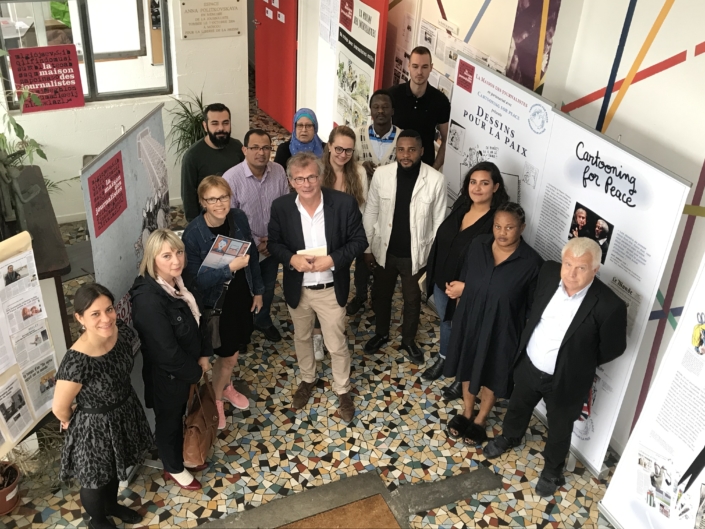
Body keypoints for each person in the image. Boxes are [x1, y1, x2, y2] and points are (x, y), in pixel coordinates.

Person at [483, 238, 628, 497]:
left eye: (581, 268)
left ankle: (552, 470)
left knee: (560, 428)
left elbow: (613, 348)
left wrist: (578, 361)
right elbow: (534, 306)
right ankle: (510, 437)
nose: (571, 273)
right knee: (517, 407)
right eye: (568, 264)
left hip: (566, 380)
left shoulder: (609, 305)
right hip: (530, 364)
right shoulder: (549, 272)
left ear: (595, 269)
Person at [267, 152, 367, 423]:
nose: (306, 183)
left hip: (330, 288)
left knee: (336, 343)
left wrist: (332, 259)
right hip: (298, 288)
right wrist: (291, 259)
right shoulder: (281, 207)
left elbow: (359, 241)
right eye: (299, 179)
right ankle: (308, 379)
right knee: (301, 337)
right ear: (290, 181)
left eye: (311, 177)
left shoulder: (343, 203)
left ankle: (342, 389)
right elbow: (273, 244)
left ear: (321, 176)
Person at [53, 284, 152, 529]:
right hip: (94, 426)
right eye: (95, 314)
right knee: (95, 481)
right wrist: (70, 418)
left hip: (123, 410)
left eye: (109, 309)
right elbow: (59, 407)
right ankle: (97, 521)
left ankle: (112, 506)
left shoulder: (121, 332)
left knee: (115, 469)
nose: (106, 318)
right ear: (80, 318)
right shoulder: (76, 361)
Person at [443, 203, 543, 444]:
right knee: (468, 365)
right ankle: (467, 412)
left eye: (509, 227)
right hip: (471, 320)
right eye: (498, 226)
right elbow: (465, 280)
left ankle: (481, 419)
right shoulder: (478, 245)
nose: (502, 232)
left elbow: (531, 307)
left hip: (502, 329)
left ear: (522, 228)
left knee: (493, 372)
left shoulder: (531, 262)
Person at [130, 229, 212, 491]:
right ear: (152, 258)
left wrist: (204, 354)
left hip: (188, 368)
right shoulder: (147, 299)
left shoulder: (180, 280)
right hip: (167, 376)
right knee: (169, 421)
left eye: (179, 252)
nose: (176, 260)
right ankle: (173, 467)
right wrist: (195, 373)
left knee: (180, 415)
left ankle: (182, 454)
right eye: (166, 256)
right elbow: (165, 351)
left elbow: (200, 318)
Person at [422, 162, 509, 402]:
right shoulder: (462, 205)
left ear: (496, 187)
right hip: (443, 283)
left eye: (484, 183)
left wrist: (467, 288)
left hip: (470, 291)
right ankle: (444, 358)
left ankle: (463, 376)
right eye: (473, 182)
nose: (477, 188)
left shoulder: (496, 222)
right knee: (447, 323)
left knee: (469, 333)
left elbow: (498, 268)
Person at [182, 176, 264, 429]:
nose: (219, 204)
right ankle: (216, 398)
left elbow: (252, 255)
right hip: (216, 305)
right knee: (227, 356)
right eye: (212, 199)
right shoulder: (193, 234)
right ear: (202, 202)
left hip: (241, 296)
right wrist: (229, 269)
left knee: (233, 350)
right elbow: (195, 282)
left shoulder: (238, 218)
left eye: (223, 197)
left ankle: (225, 385)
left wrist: (258, 291)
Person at [362, 129, 446, 363]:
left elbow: (439, 223)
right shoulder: (382, 175)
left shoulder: (436, 180)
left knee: (412, 300)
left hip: (415, 255)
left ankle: (408, 340)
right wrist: (367, 248)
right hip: (384, 251)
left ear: (421, 151)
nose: (405, 155)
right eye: (401, 150)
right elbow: (370, 212)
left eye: (411, 150)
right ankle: (381, 333)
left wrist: (431, 258)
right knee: (381, 295)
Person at [223, 128, 290, 343]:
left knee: (268, 285)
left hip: (271, 244)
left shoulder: (278, 171)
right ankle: (243, 328)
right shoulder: (231, 178)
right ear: (244, 150)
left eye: (266, 148)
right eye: (255, 148)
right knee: (243, 289)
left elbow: (286, 207)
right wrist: (254, 243)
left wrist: (273, 239)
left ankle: (262, 320)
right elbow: (230, 220)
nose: (261, 153)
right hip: (243, 248)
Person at [321, 126, 369, 318]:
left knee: (340, 281)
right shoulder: (317, 170)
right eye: (339, 149)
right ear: (329, 146)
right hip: (320, 236)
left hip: (346, 238)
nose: (343, 154)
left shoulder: (359, 172)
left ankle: (335, 318)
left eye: (348, 150)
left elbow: (361, 209)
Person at [387, 47, 450, 169]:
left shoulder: (440, 101)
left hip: (424, 167)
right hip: (394, 166)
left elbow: (446, 139)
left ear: (431, 68)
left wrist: (434, 169)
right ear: (409, 66)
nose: (419, 72)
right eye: (415, 66)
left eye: (424, 67)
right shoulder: (393, 95)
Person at [181, 103, 245, 222]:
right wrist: (195, 224)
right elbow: (188, 195)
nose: (221, 128)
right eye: (215, 123)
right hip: (209, 220)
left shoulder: (237, 147)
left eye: (225, 123)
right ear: (205, 126)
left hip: (236, 216)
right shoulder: (192, 156)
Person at [355, 89, 402, 180]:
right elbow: (346, 163)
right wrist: (361, 165)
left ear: (392, 111)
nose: (380, 111)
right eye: (376, 107)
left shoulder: (402, 138)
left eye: (385, 107)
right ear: (371, 110)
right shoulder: (358, 134)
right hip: (362, 188)